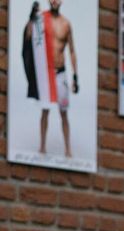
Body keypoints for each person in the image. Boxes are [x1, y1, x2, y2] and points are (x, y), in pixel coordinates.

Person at [23, 0, 78, 157]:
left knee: (64, 113)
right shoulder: (40, 20)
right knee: (45, 111)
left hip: (60, 74)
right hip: (45, 74)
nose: (54, 1)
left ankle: (68, 149)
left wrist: (75, 76)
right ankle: (42, 147)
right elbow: (28, 37)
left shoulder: (66, 24)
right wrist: (31, 18)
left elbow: (72, 51)